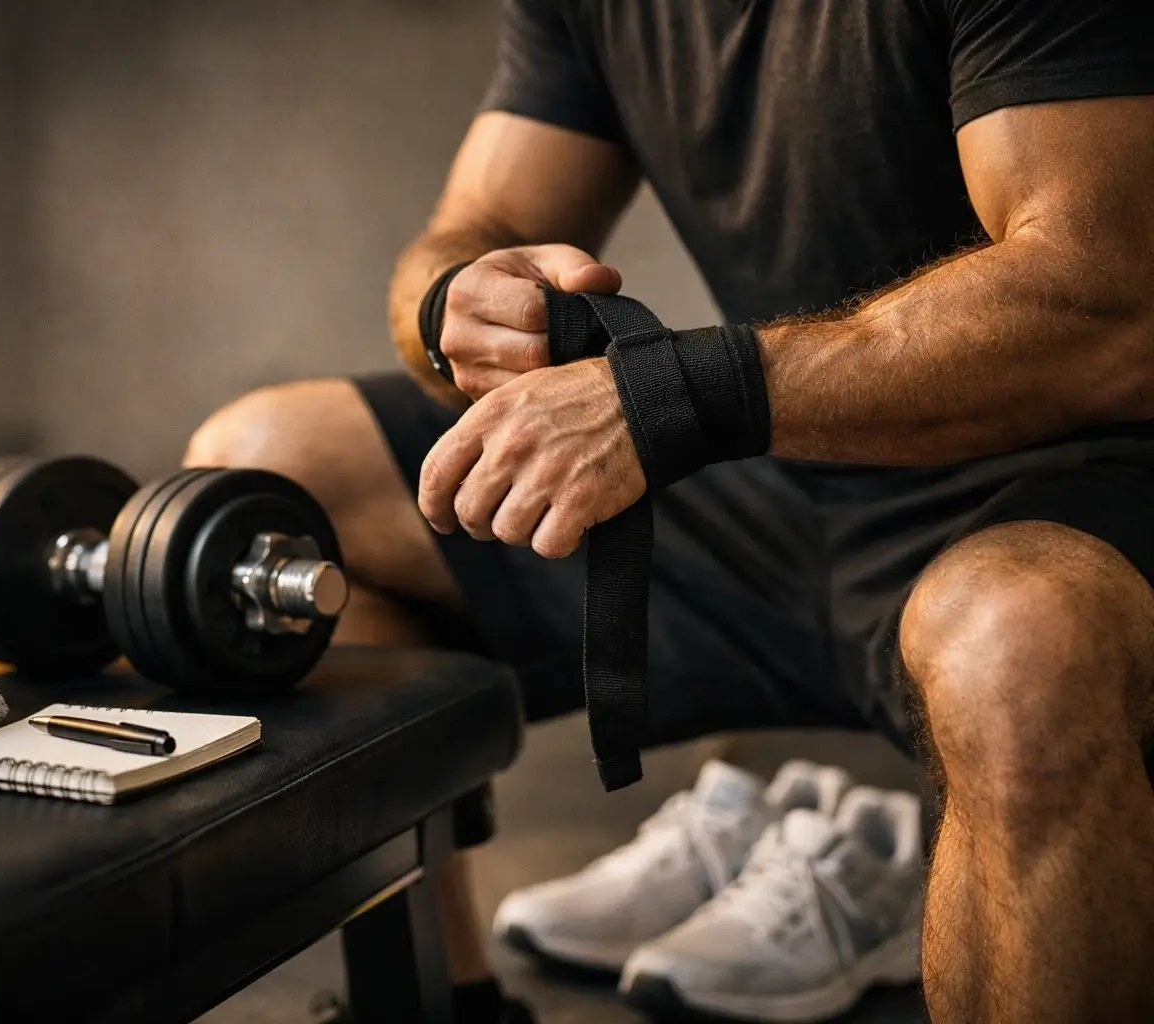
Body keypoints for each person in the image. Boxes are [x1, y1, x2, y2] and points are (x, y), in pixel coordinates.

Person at [185, 2, 1154, 1021]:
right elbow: (474, 226)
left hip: (1061, 478)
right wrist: (454, 303)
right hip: (777, 474)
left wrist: (671, 398)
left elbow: (1104, 303)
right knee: (269, 478)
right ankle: (448, 1003)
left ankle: (893, 858)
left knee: (1015, 642)